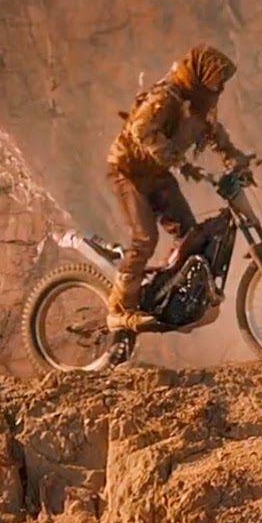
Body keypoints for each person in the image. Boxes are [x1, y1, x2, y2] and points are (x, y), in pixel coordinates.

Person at [105, 44, 250, 332]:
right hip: (128, 171)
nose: (220, 87)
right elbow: (141, 130)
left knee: (190, 234)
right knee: (145, 238)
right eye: (217, 79)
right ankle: (120, 309)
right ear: (202, 73)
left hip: (156, 174)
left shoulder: (199, 105)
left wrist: (236, 158)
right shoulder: (167, 96)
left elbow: (215, 135)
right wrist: (178, 161)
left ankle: (162, 292)